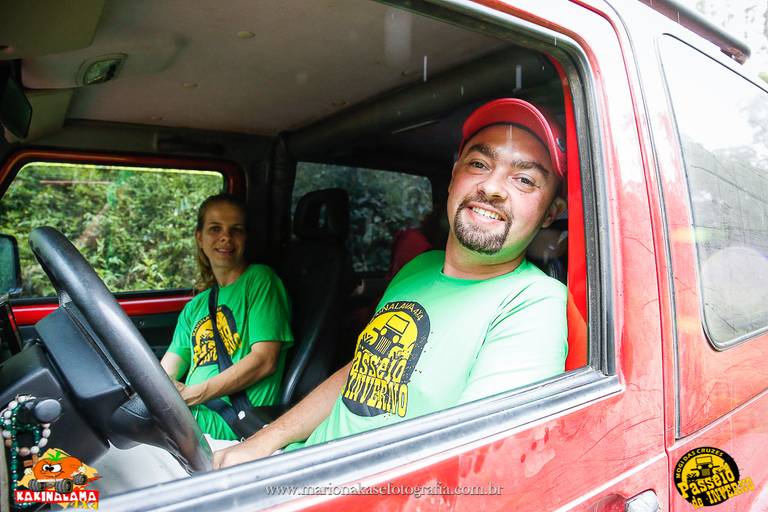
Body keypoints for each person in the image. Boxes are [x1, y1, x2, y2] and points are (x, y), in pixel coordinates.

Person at [213, 98, 568, 467]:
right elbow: (363, 370)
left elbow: (479, 461)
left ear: (551, 213)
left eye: (524, 179)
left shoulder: (534, 304)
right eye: (479, 164)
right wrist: (263, 442)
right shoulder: (419, 268)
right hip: (292, 466)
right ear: (453, 177)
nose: (492, 187)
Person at [160, 193, 294, 440]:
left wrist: (192, 394)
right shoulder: (196, 306)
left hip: (234, 421)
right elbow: (165, 372)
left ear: (246, 238)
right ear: (199, 237)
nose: (226, 237)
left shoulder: (260, 280)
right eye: (215, 228)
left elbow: (265, 360)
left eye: (236, 230)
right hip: (193, 410)